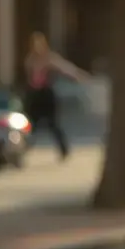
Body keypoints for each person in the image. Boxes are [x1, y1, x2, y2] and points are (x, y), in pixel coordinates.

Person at [22, 32, 90, 160]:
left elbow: (66, 68)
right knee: (31, 125)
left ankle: (64, 149)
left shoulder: (49, 58)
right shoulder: (30, 60)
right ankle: (22, 149)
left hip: (46, 95)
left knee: (53, 124)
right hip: (34, 96)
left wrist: (79, 76)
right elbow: (29, 79)